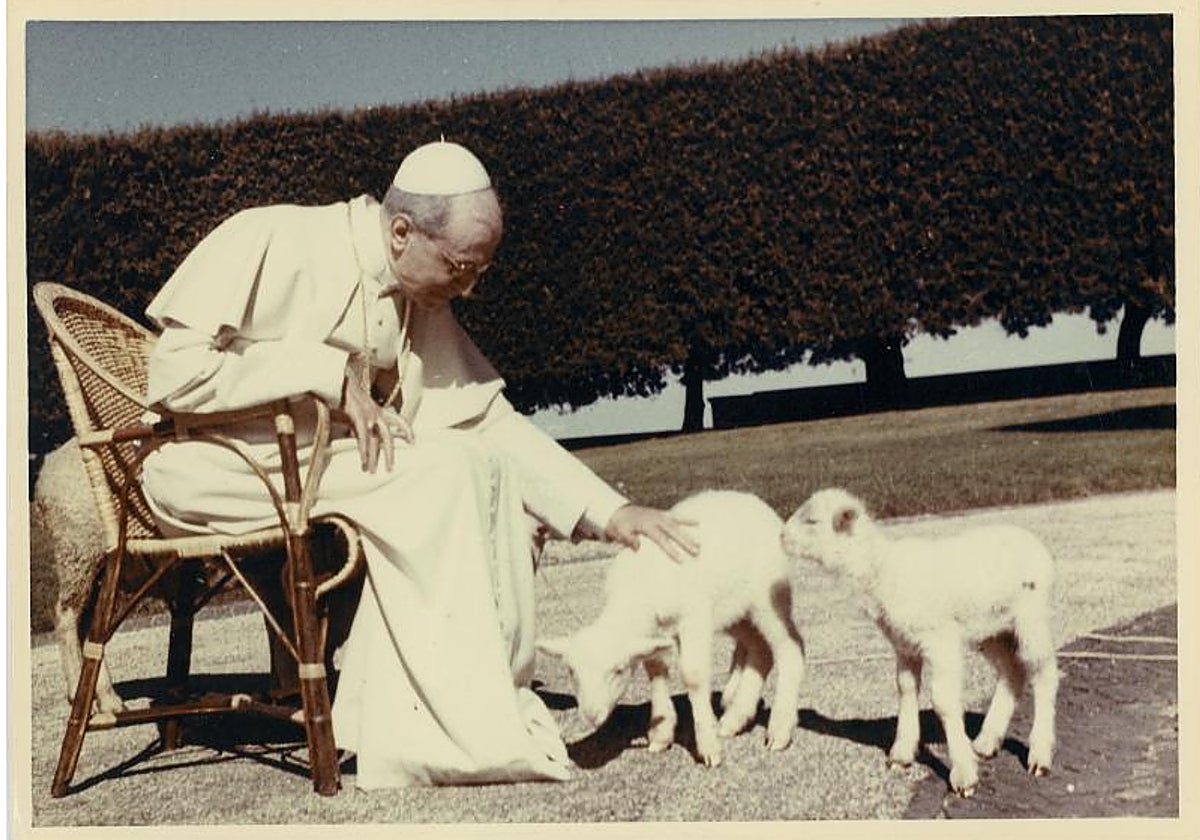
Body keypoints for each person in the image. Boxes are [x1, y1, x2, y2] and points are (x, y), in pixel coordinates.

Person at [138, 140, 700, 789]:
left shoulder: (410, 293)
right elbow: (173, 375)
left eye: (480, 270)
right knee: (445, 472)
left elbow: (483, 418)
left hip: (322, 468)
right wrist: (327, 374)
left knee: (482, 469)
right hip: (216, 465)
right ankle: (448, 735)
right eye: (463, 267)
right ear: (402, 231)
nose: (471, 286)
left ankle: (454, 711)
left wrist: (611, 511)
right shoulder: (271, 235)